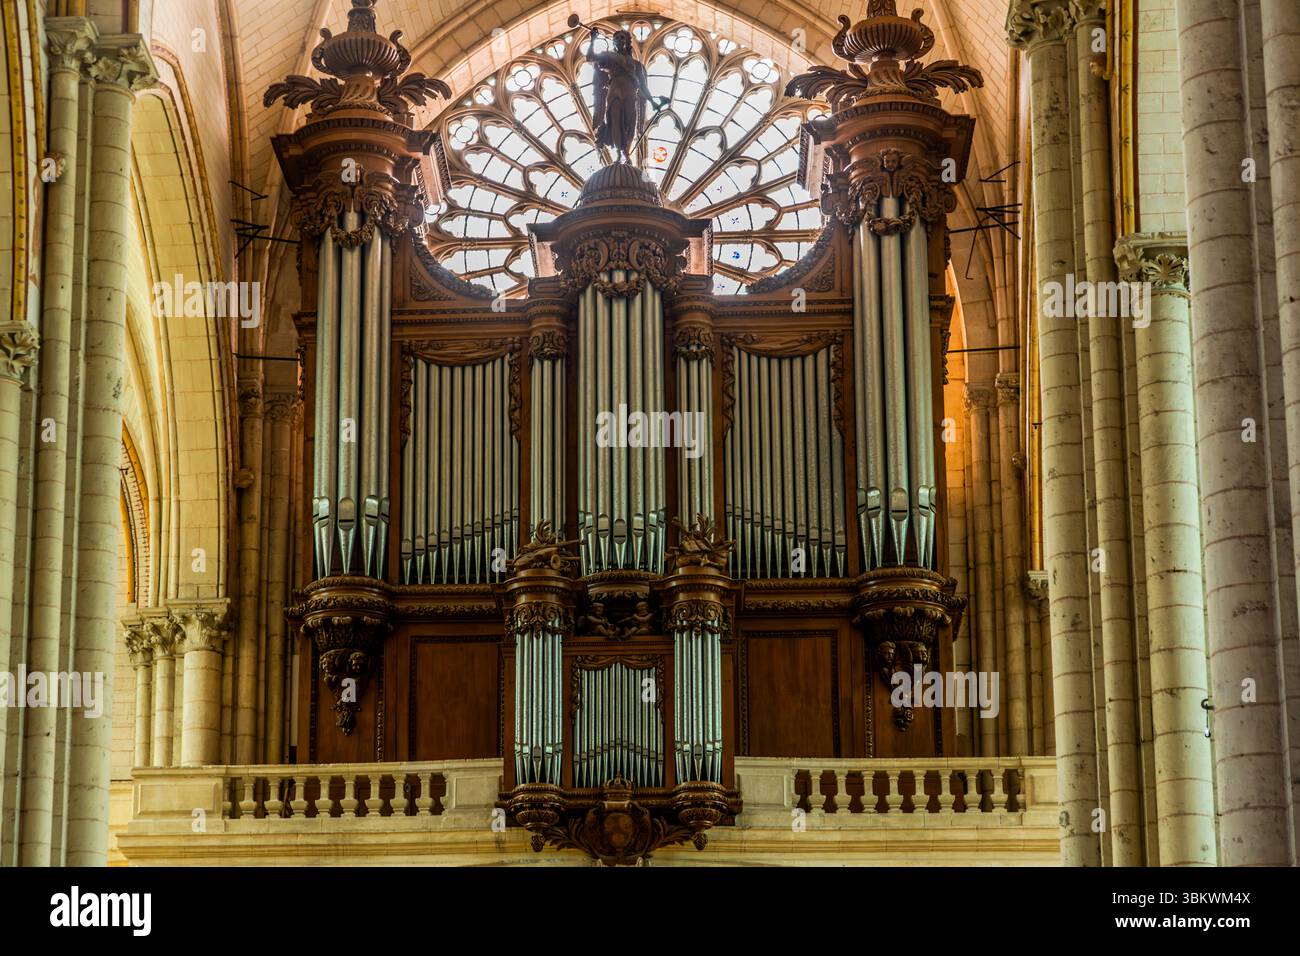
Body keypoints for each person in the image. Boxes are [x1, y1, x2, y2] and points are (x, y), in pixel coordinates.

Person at [587, 28, 668, 164]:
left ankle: (625, 152)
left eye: (622, 38)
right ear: (613, 42)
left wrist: (653, 102)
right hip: (615, 91)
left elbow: (643, 86)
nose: (619, 40)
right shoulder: (610, 57)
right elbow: (590, 57)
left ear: (628, 42)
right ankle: (622, 154)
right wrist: (593, 40)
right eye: (617, 38)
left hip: (630, 94)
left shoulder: (637, 66)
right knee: (616, 121)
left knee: (630, 125)